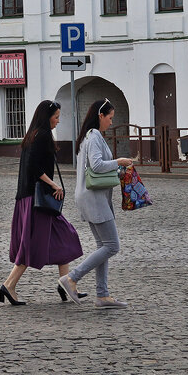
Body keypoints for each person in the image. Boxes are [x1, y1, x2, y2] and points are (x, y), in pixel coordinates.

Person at [1, 100, 83, 305]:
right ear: (46, 118)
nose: (57, 121)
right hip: (37, 201)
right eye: (55, 117)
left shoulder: (33, 135)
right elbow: (34, 167)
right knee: (31, 245)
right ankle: (9, 285)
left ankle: (67, 283)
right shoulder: (42, 136)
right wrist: (54, 185)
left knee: (65, 236)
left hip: (31, 199)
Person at [59, 99, 136, 309]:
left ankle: (102, 295)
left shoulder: (90, 136)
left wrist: (119, 170)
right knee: (112, 246)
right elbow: (97, 165)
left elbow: (98, 168)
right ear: (100, 115)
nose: (111, 122)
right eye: (110, 118)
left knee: (103, 246)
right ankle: (72, 278)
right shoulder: (93, 137)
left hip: (91, 196)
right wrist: (119, 162)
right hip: (94, 199)